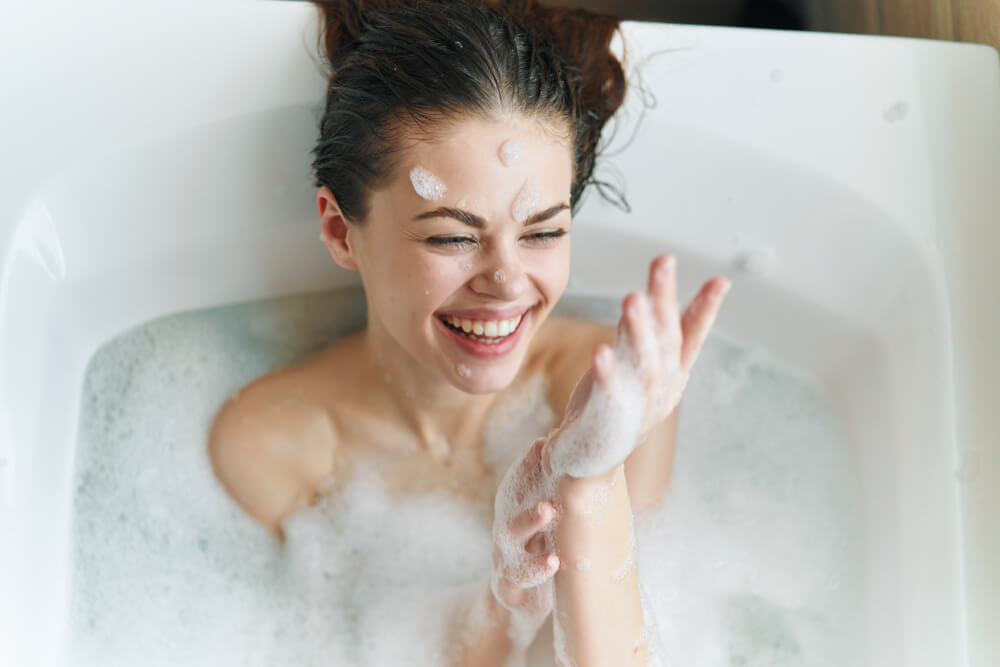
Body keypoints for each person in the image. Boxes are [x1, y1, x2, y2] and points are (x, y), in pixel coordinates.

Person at [208, 1, 731, 664]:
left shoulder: (603, 387)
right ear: (342, 231)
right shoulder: (271, 444)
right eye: (454, 236)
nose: (508, 281)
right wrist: (504, 598)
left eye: (543, 231)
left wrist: (588, 480)